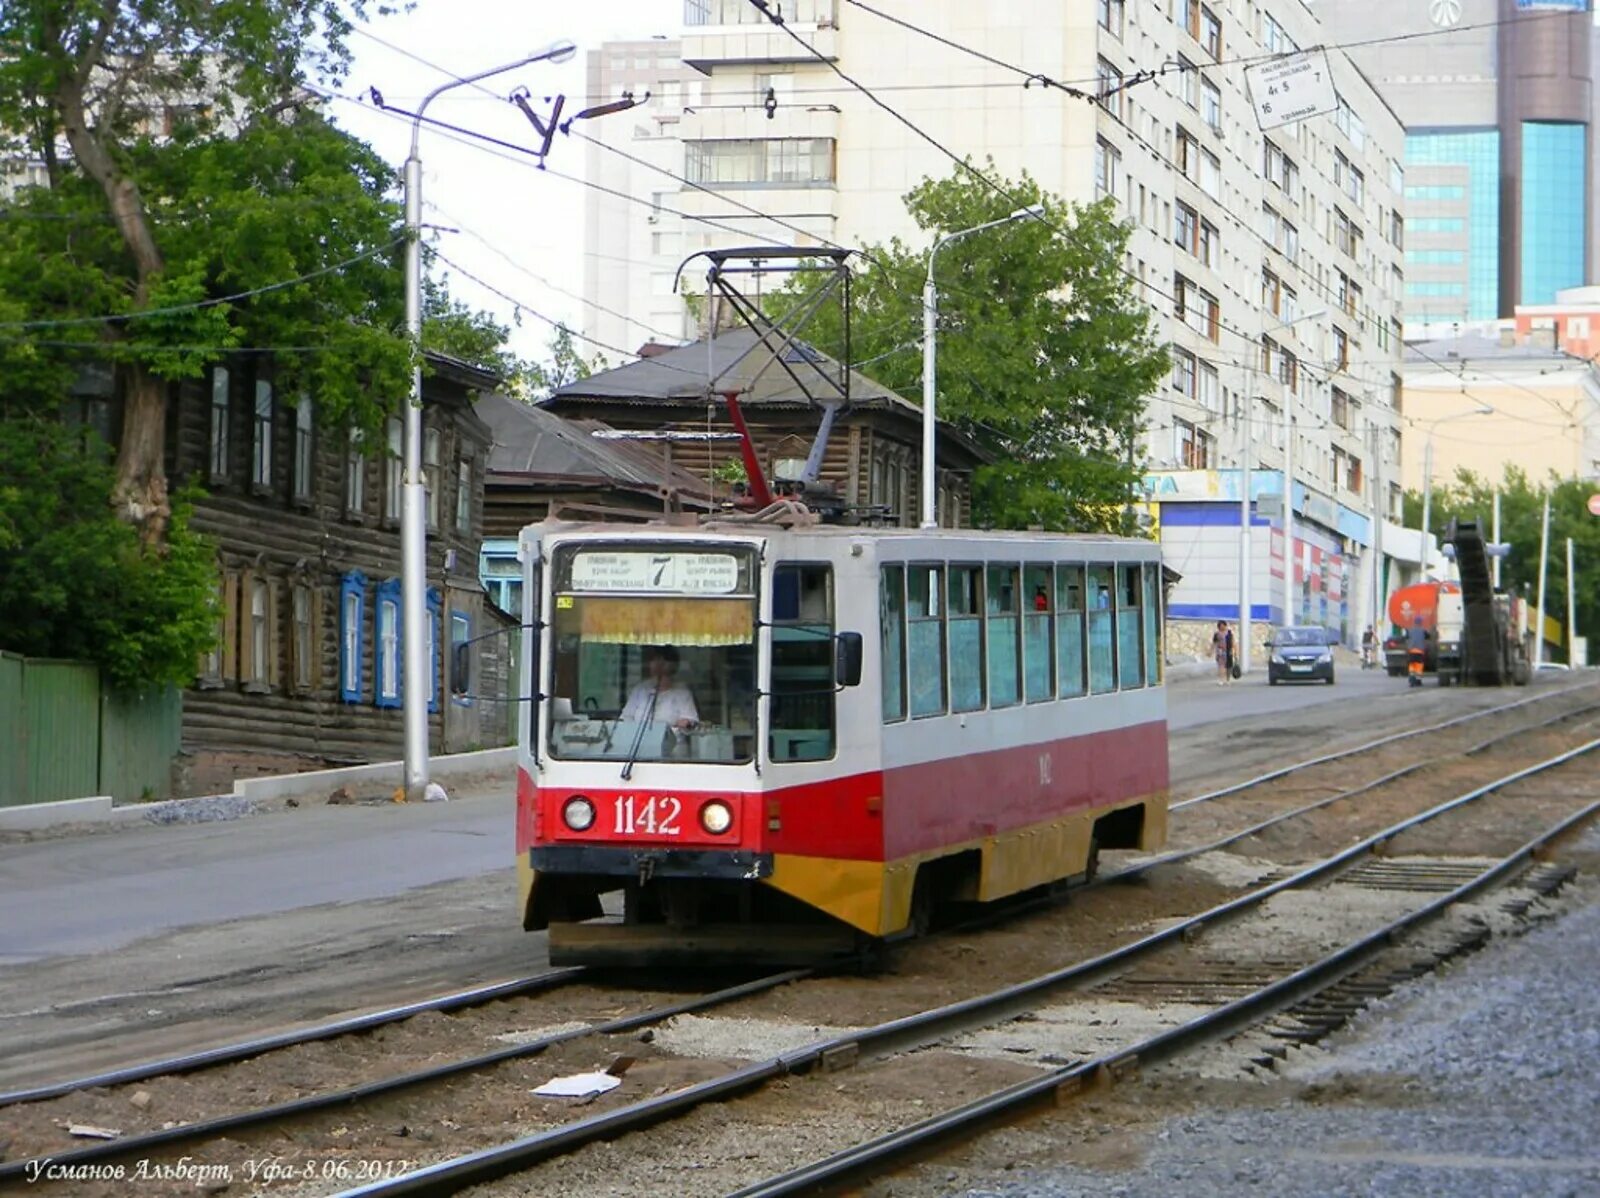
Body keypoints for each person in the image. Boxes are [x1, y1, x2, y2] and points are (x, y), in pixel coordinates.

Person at [621, 645, 699, 729]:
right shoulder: (640, 689)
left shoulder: (682, 692)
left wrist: (685, 723)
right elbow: (626, 717)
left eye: (663, 660)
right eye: (655, 659)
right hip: (641, 741)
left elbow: (691, 722)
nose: (659, 664)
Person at [1211, 619, 1235, 685]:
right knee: (1221, 666)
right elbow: (1214, 643)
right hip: (1220, 652)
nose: (1222, 627)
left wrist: (1234, 651)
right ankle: (1221, 679)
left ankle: (1228, 679)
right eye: (1220, 626)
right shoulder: (1217, 634)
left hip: (1228, 651)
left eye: (1223, 625)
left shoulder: (1229, 633)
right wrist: (1211, 651)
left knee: (1229, 667)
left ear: (1225, 625)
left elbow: (1232, 642)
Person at [1406, 616, 1428, 688]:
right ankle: (1418, 681)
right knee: (1419, 667)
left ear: (1414, 623)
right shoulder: (1423, 630)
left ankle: (1411, 681)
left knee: (1412, 666)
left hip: (1411, 651)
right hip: (1420, 652)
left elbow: (1407, 637)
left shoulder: (1410, 630)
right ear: (1421, 623)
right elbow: (1428, 636)